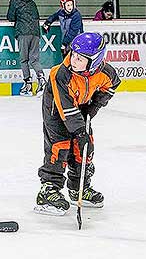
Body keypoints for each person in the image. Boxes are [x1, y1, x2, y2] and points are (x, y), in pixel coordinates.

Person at [34, 32, 121, 216]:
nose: (74, 60)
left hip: (80, 106)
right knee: (60, 146)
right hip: (56, 110)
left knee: (84, 148)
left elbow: (112, 85)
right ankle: (48, 190)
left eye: (80, 58)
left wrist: (94, 106)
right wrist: (79, 131)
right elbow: (66, 108)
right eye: (73, 54)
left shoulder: (106, 72)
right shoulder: (61, 74)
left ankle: (78, 188)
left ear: (95, 61)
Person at [7, 0, 46, 96]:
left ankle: (28, 84)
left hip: (23, 33)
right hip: (35, 32)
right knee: (34, 59)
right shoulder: (31, 2)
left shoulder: (14, 1)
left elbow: (10, 17)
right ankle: (42, 80)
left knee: (24, 59)